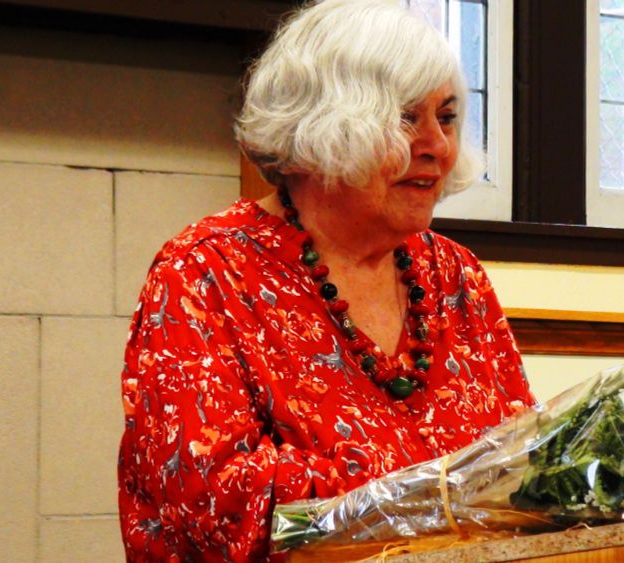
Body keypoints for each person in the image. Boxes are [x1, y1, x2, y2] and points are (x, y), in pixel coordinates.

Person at [117, 0, 535, 560]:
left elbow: (522, 462)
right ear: (321, 128)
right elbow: (216, 506)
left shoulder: (456, 275)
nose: (436, 144)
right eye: (407, 117)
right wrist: (435, 494)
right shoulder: (204, 272)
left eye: (448, 117)